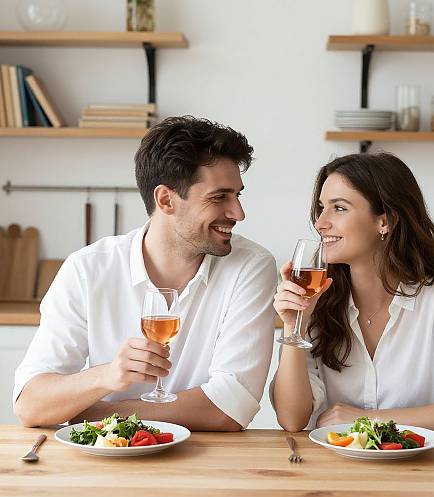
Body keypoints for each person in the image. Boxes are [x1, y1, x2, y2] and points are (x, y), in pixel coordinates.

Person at [14, 116, 277, 431]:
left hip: (206, 464)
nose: (238, 213)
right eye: (219, 197)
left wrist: (100, 412)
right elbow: (31, 404)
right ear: (166, 200)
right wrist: (107, 375)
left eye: (238, 195)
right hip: (107, 461)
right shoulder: (88, 269)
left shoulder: (250, 266)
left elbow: (230, 407)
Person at [272, 152, 434, 435]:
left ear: (385, 221)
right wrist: (294, 323)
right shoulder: (317, 298)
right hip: (332, 470)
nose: (321, 222)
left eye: (340, 208)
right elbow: (292, 419)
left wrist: (369, 419)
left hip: (416, 468)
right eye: (322, 208)